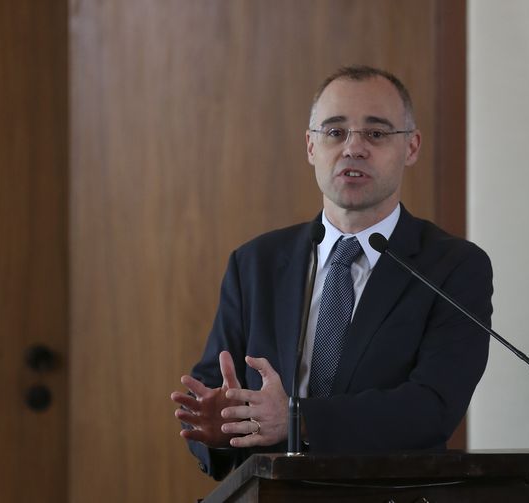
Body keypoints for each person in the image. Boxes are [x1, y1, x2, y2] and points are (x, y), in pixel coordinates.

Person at [170, 65, 493, 480]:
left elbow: (432, 407)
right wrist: (216, 431)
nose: (353, 148)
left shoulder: (452, 267)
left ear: (411, 147)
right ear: (310, 146)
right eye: (335, 132)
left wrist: (297, 419)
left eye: (376, 134)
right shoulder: (256, 263)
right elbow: (212, 390)